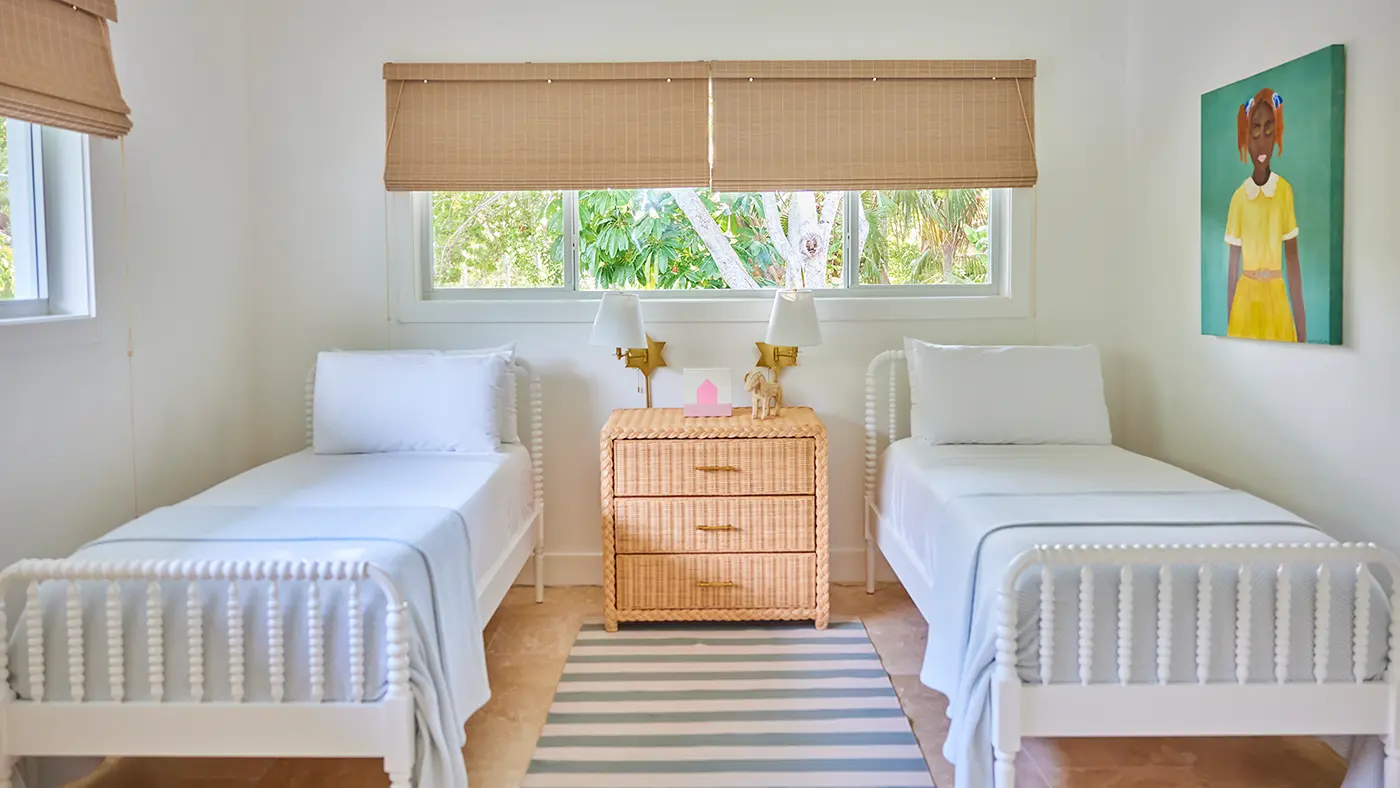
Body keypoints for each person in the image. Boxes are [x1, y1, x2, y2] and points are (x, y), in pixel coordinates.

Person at [1225, 88, 1307, 343]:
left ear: (1276, 136)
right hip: (1245, 301)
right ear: (1245, 139)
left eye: (1268, 131)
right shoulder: (1239, 198)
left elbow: (1292, 262)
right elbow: (1232, 268)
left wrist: (1302, 329)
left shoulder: (1284, 192)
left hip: (1276, 299)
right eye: (1255, 132)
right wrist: (1229, 326)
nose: (1261, 142)